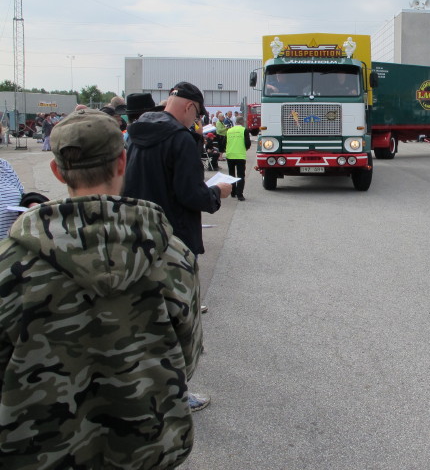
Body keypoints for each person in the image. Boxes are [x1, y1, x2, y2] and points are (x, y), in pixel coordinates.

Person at [0, 108, 202, 468]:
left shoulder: (11, 264)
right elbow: (186, 357)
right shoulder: (173, 256)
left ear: (57, 170)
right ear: (122, 161)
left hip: (40, 451)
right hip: (146, 446)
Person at [124, 82, 232, 410]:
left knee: (146, 318)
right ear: (188, 107)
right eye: (197, 114)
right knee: (178, 320)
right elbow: (190, 194)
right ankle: (176, 394)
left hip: (138, 237)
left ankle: (142, 387)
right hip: (175, 243)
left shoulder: (137, 133)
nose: (197, 121)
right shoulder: (180, 139)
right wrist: (217, 193)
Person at [225, 116, 251, 201]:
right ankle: (240, 194)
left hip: (230, 154)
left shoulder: (229, 130)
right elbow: (247, 143)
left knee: (231, 174)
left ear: (235, 122)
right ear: (242, 122)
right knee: (240, 175)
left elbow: (224, 142)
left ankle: (233, 192)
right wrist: (246, 148)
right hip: (240, 155)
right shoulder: (244, 130)